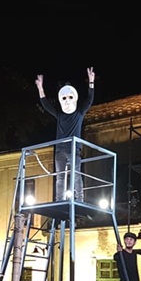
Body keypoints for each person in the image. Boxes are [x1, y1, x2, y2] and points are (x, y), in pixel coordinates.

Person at [35, 67, 95, 202]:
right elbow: (46, 105)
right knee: (60, 176)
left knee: (76, 174)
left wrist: (91, 82)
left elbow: (89, 100)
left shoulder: (79, 113)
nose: (67, 101)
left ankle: (79, 199)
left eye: (70, 97)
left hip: (73, 149)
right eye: (64, 98)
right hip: (60, 149)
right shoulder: (60, 115)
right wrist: (40, 88)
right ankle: (59, 200)